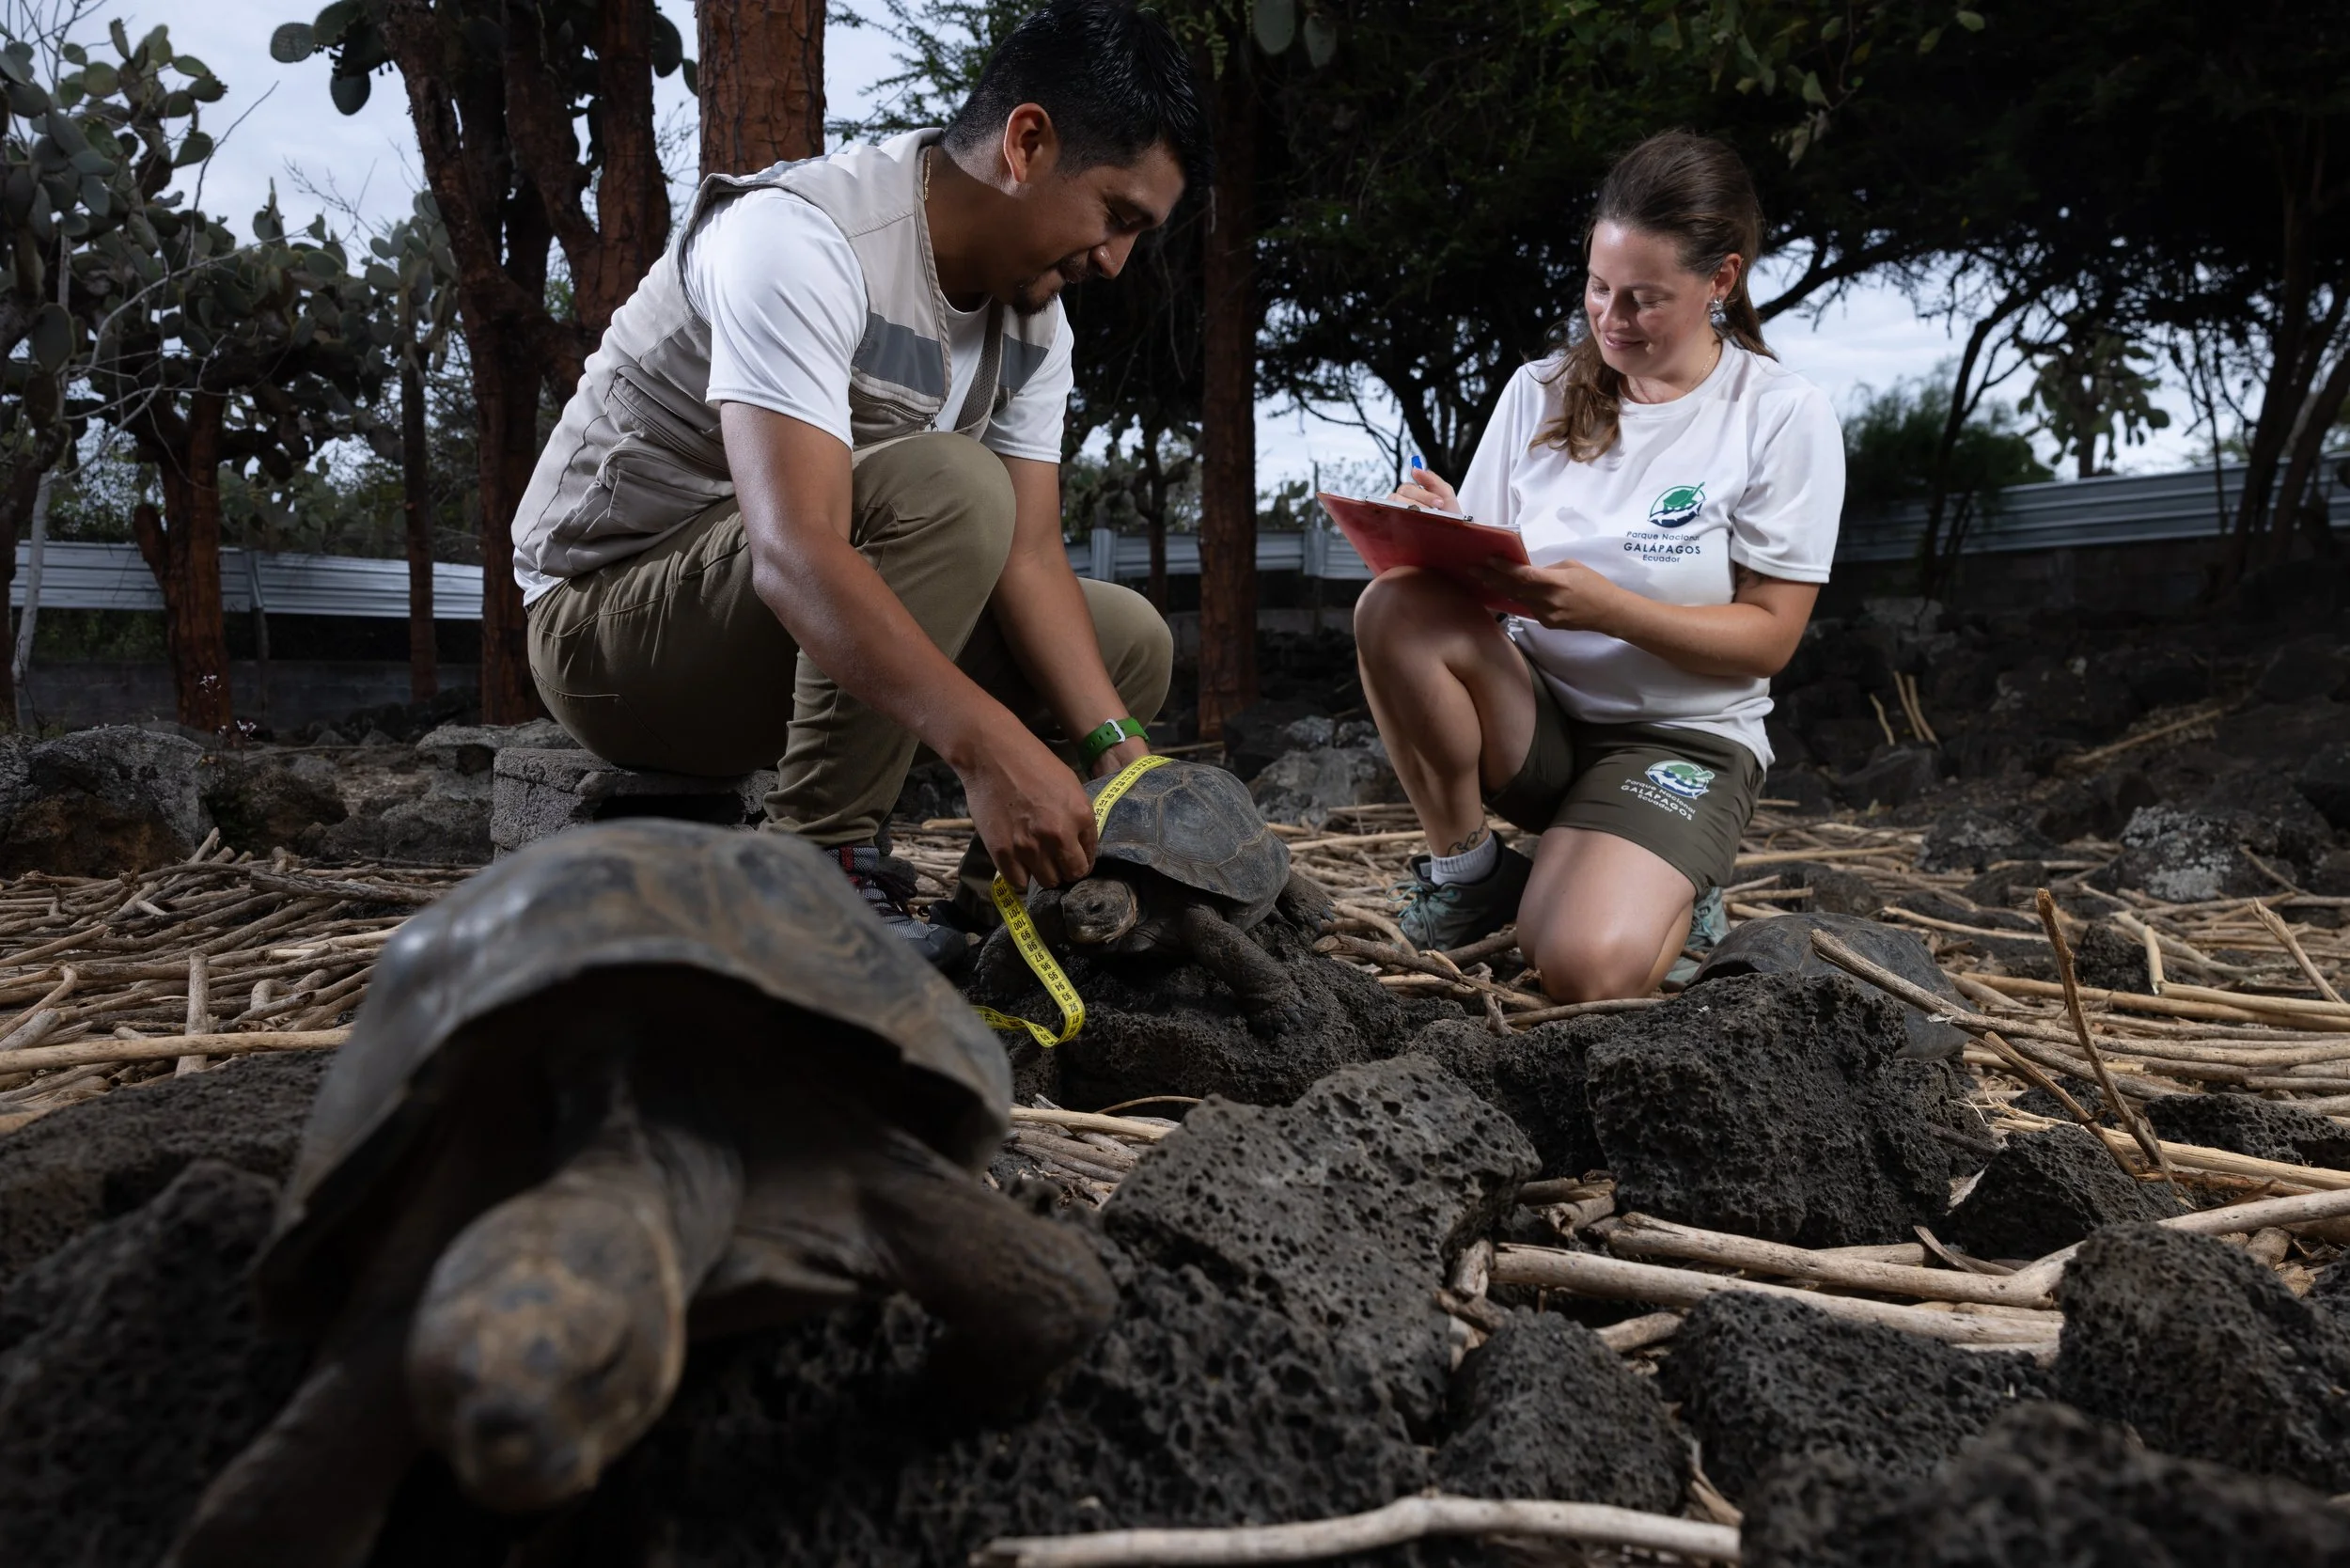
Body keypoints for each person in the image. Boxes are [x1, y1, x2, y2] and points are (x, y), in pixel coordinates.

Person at [511, 1, 1207, 964]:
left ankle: (998, 932)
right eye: (1116, 217)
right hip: (613, 639)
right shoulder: (798, 238)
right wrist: (988, 748)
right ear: (1028, 142)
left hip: (782, 652)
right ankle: (814, 871)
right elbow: (796, 555)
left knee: (1123, 646)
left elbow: (1034, 559)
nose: (1114, 261)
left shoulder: (1035, 326)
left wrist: (1136, 778)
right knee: (949, 486)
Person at [1354, 130, 1843, 1001]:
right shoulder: (1538, 390)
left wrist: (1609, 608)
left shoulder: (1779, 414)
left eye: (1643, 300)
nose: (1610, 320)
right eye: (1597, 288)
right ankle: (1466, 878)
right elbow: (1486, 574)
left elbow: (1770, 639)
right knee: (1396, 605)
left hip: (1676, 739)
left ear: (1720, 280)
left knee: (1580, 969)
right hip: (1535, 718)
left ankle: (1669, 895)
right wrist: (1445, 529)